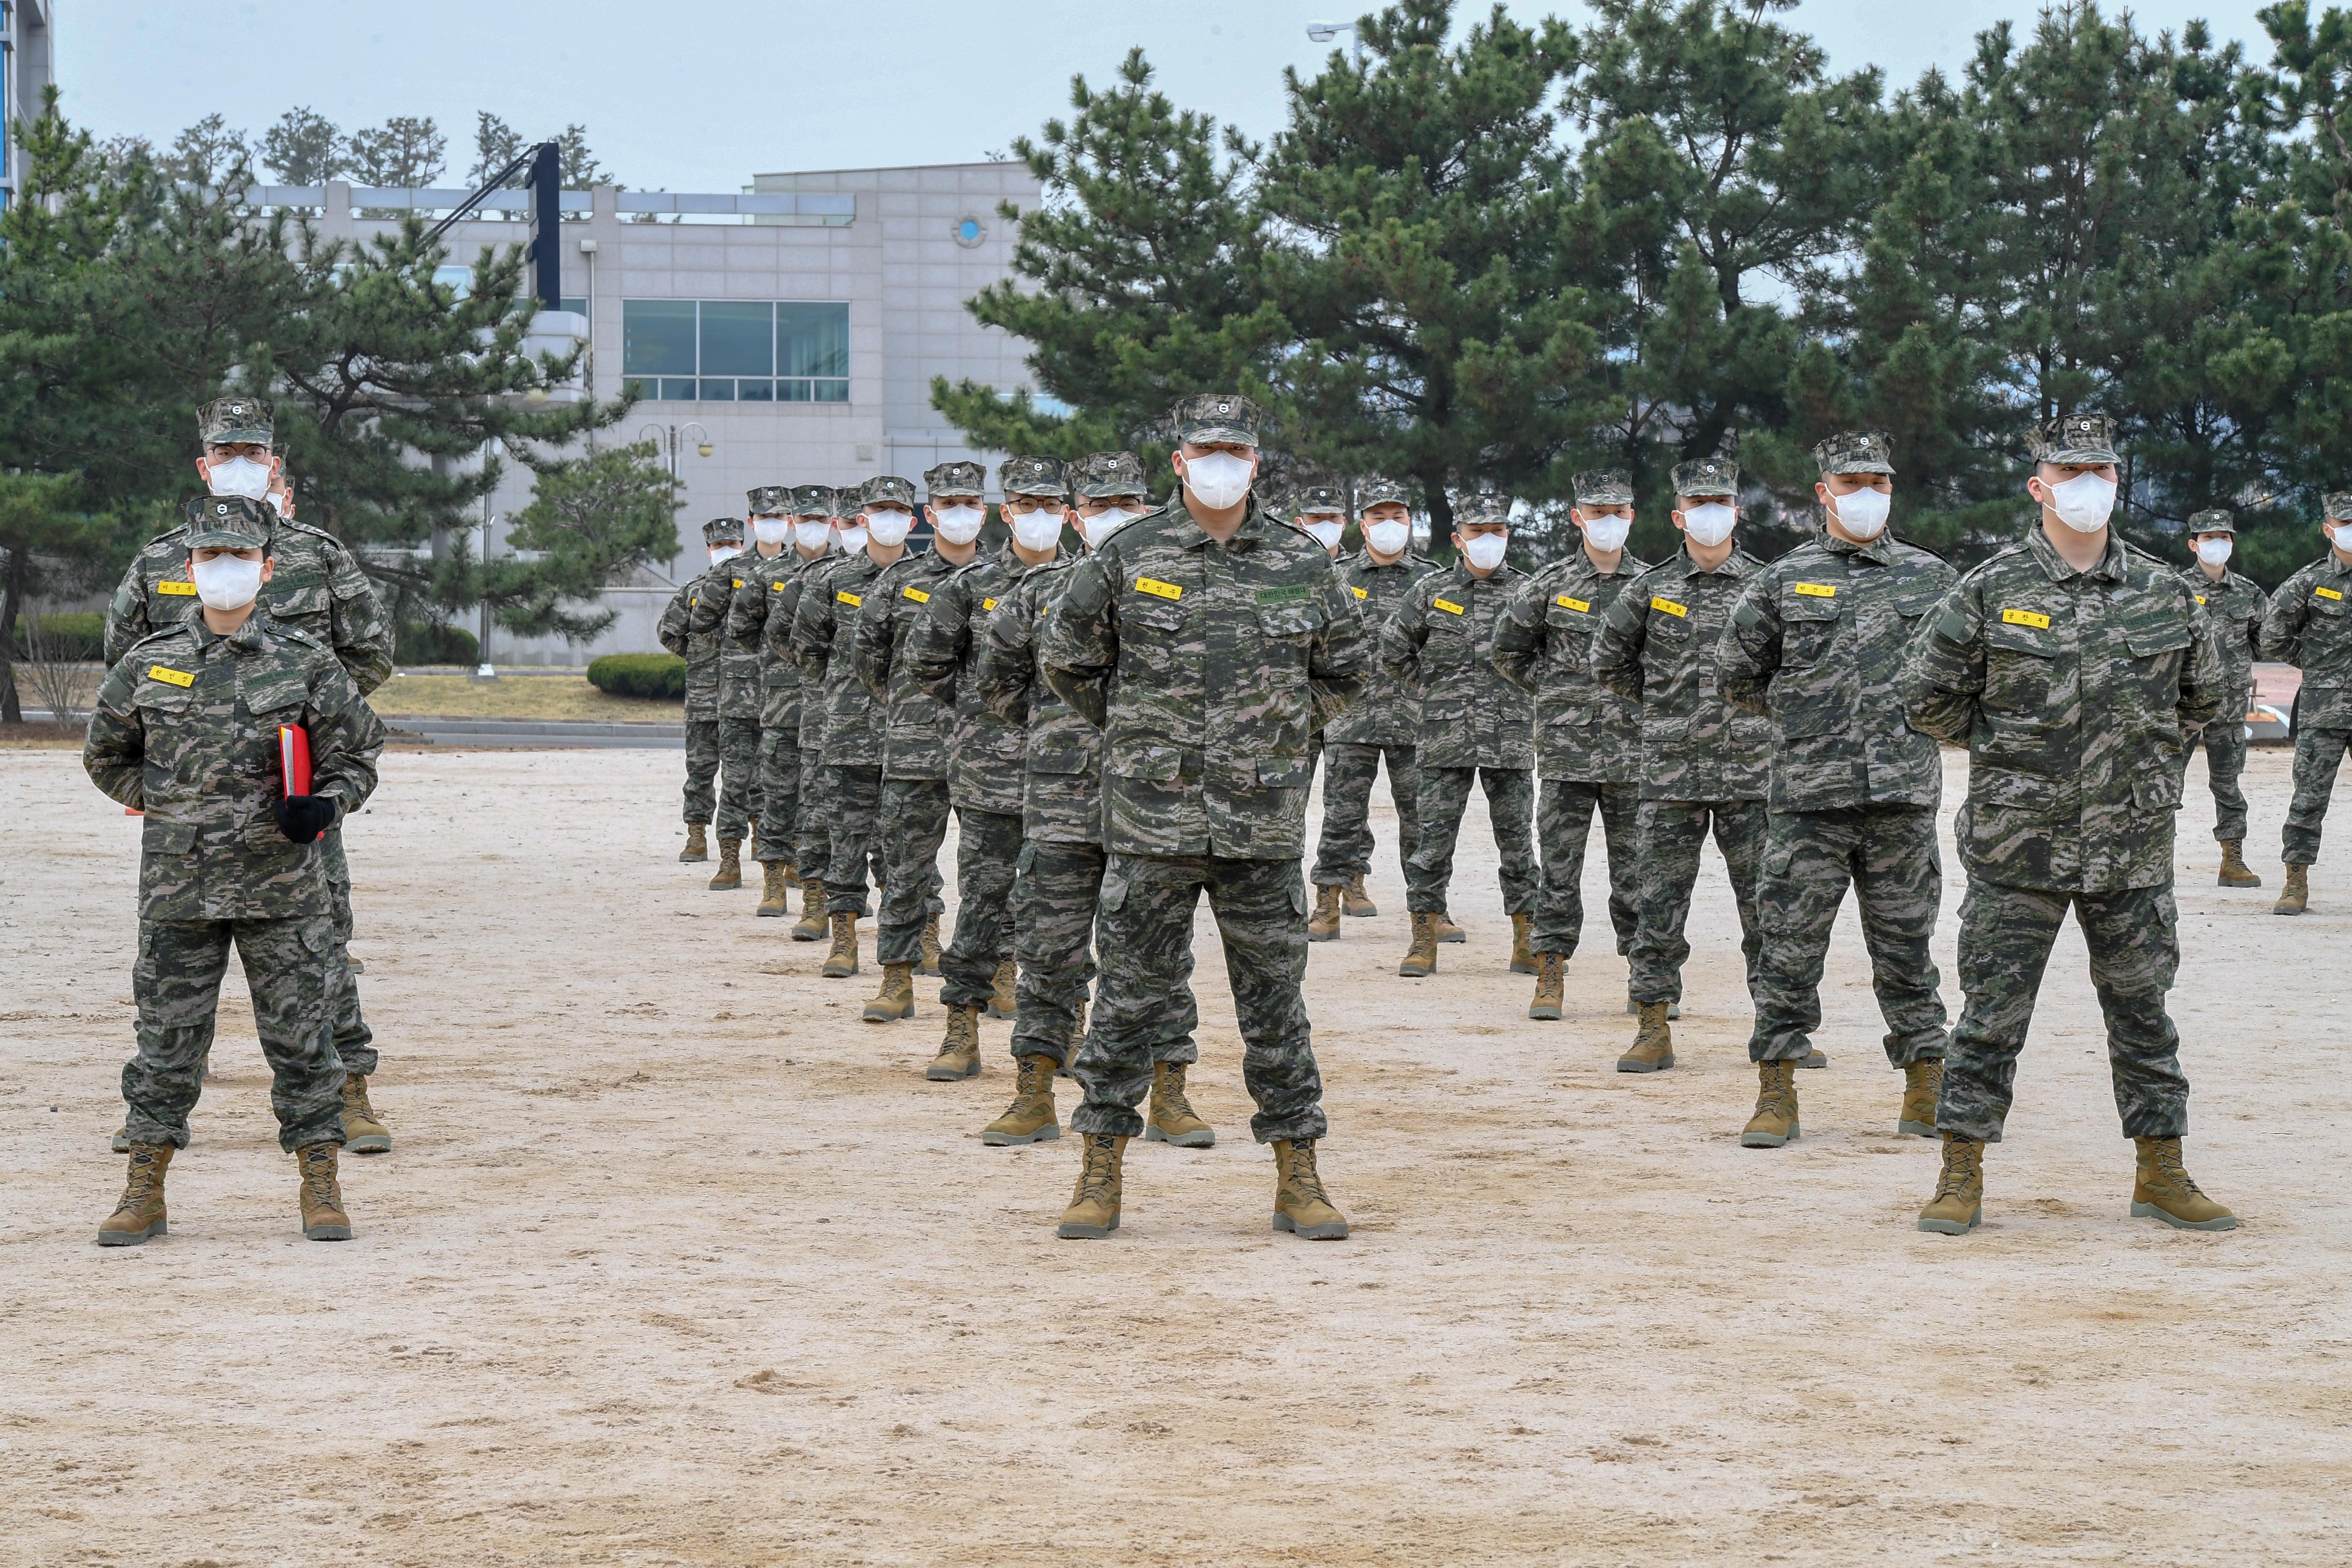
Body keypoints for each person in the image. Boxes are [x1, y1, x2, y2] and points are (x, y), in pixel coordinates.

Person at [1041, 395, 1366, 1239]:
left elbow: (1347, 668)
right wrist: (1142, 732)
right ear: (1178, 460)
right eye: (1205, 447)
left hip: (1260, 825)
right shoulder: (1127, 554)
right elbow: (1072, 659)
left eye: (1236, 448)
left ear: (1256, 463)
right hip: (1153, 823)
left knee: (1276, 1008)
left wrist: (1284, 729)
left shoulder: (1302, 560)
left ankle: (1299, 1174)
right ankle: (1099, 1171)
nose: (1221, 461)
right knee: (1124, 1003)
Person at [1903, 412, 2233, 1234]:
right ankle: (1961, 1171)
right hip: (2021, 846)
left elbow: (2206, 696)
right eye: (2071, 471)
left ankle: (2162, 1171)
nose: (2088, 486)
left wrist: (2144, 764)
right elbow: (1925, 695)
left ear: (2118, 482)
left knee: (2145, 1016)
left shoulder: (2167, 591)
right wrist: (2011, 752)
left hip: (2131, 849)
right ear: (2038, 485)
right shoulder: (1989, 589)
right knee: (1988, 1018)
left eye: (2103, 471)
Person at [84, 497, 387, 1244]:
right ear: (189, 571)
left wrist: (325, 806)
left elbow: (358, 750)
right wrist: (168, 806)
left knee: (302, 1040)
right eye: (211, 557)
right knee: (166, 1043)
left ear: (267, 568)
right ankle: (144, 1189)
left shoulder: (304, 662)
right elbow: (104, 754)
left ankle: (320, 1182)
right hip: (177, 889)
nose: (226, 570)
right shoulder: (148, 661)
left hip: (281, 888)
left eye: (241, 558)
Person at [1717, 432, 1956, 1149]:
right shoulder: (1780, 581)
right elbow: (1736, 674)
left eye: (1879, 483)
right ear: (1822, 492)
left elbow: (1966, 673)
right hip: (1807, 804)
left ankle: (1924, 1083)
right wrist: (1805, 722)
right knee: (1787, 952)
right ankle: (1776, 1090)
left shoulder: (1932, 578)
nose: (1867, 496)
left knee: (1907, 950)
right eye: (1851, 483)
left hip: (1901, 801)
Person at [975, 451, 1219, 1147]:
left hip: (1155, 803)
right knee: (1048, 950)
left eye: (1128, 506)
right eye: (1100, 507)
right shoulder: (1038, 592)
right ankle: (1032, 1094)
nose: (1114, 518)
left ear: (1148, 512)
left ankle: (1170, 1095)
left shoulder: (1185, 588)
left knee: (1158, 954)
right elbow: (996, 678)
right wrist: (1056, 732)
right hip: (1060, 804)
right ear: (1075, 518)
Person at [1591, 457, 1777, 1072]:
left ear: (1738, 511)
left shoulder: (1768, 586)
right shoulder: (1646, 590)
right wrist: (1663, 711)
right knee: (1658, 905)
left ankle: (1779, 1028)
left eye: (1721, 501)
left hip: (1753, 775)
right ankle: (1652, 1025)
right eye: (1698, 504)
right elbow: (1609, 662)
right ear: (1677, 517)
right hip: (1669, 774)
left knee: (1767, 906)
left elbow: (1791, 668)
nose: (1711, 514)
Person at [903, 456, 1063, 1078]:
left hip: (1068, 779)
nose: (1040, 517)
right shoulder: (968, 586)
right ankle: (961, 1029)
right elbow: (926, 663)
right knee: (983, 903)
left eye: (1052, 505)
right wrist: (980, 714)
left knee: (1060, 916)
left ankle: (1060, 1031)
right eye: (1028, 505)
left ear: (1068, 513)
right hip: (990, 777)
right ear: (1008, 512)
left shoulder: (1089, 582)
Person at [1493, 469, 1650, 1021]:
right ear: (1576, 516)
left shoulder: (1652, 587)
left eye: (1619, 511)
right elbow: (1508, 650)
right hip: (1566, 757)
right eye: (1597, 511)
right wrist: (1556, 692)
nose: (1608, 521)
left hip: (1634, 757)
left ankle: (1646, 978)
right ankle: (1550, 972)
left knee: (1637, 874)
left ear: (1633, 516)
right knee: (1559, 871)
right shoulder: (1549, 585)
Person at [1380, 495, 1539, 979]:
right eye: (1477, 532)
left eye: (1497, 530)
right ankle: (1423, 939)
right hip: (1444, 738)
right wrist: (1430, 691)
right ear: (1458, 538)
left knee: (1517, 845)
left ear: (1508, 536)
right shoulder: (1431, 589)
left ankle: (1526, 939)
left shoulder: (1530, 592)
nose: (1488, 540)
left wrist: (1528, 692)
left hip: (1509, 737)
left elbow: (1548, 655)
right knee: (1432, 843)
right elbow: (1393, 648)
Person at [850, 467, 979, 1018]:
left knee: (996, 874)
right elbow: (868, 658)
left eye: (969, 501)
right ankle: (897, 978)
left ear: (987, 509)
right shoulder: (899, 581)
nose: (958, 511)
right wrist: (907, 708)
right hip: (914, 749)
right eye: (948, 502)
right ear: (929, 513)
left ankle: (1000, 974)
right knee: (905, 868)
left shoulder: (1004, 578)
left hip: (990, 754)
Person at [790, 479, 915, 977]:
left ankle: (918, 935)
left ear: (912, 520)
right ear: (862, 519)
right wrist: (841, 691)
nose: (887, 518)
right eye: (878, 509)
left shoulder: (930, 581)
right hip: (846, 734)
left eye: (897, 510)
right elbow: (802, 644)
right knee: (846, 842)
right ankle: (843, 937)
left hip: (911, 738)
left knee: (905, 848)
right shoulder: (833, 581)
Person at [1307, 478, 1437, 941]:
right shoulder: (1336, 576)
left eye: (1397, 517)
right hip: (1350, 719)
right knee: (1341, 818)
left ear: (1410, 522)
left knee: (1423, 821)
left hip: (1415, 721)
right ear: (1362, 525)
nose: (1389, 525)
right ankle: (1327, 905)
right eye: (1378, 517)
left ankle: (1430, 912)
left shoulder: (1433, 579)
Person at [727, 485, 828, 915]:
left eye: (821, 520)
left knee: (819, 803)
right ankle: (773, 880)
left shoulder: (841, 573)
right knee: (778, 795)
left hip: (827, 710)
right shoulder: (767, 575)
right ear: (792, 523)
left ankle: (815, 890)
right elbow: (741, 626)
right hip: (781, 707)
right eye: (804, 519)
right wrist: (776, 661)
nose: (811, 527)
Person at [2256, 494, 2352, 915]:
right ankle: (2296, 882)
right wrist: (2315, 664)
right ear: (2329, 529)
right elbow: (2273, 633)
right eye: (2344, 521)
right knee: (2308, 798)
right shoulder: (2308, 582)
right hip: (2324, 709)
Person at [2172, 509, 2267, 891]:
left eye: (2225, 538)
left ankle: (2233, 859)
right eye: (2210, 538)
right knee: (2165, 783)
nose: (2219, 545)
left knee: (2228, 786)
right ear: (2194, 544)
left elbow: (2265, 642)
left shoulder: (2249, 593)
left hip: (2228, 710)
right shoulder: (2173, 588)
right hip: (2181, 707)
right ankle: (2156, 857)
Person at [771, 487, 843, 938]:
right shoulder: (818, 578)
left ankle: (918, 930)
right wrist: (820, 673)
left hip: (899, 730)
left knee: (893, 835)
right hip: (821, 718)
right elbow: (781, 633)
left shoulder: (910, 578)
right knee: (814, 815)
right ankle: (815, 904)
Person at [658, 518, 744, 866]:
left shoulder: (751, 586)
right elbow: (669, 632)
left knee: (746, 773)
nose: (726, 550)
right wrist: (699, 658)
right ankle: (696, 834)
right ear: (709, 549)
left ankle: (748, 835)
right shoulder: (694, 590)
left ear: (742, 545)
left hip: (745, 698)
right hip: (705, 698)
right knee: (700, 770)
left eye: (732, 544)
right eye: (719, 545)